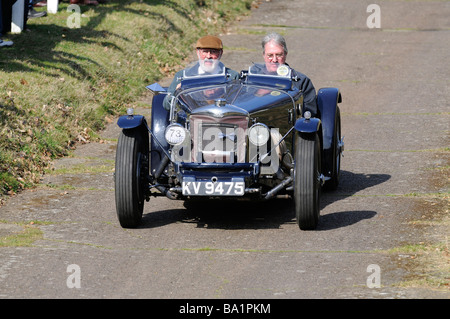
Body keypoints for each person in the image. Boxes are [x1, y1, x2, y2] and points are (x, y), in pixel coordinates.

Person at [163, 35, 239, 110]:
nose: (208, 56)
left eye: (213, 52)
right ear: (198, 52)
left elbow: (239, 104)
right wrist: (176, 93)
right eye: (205, 51)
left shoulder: (232, 76)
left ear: (220, 53)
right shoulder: (182, 76)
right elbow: (166, 105)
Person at [261, 32, 318, 117]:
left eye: (279, 55)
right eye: (270, 55)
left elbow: (310, 114)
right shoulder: (250, 80)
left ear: (285, 54)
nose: (274, 60)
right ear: (263, 55)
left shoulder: (301, 81)